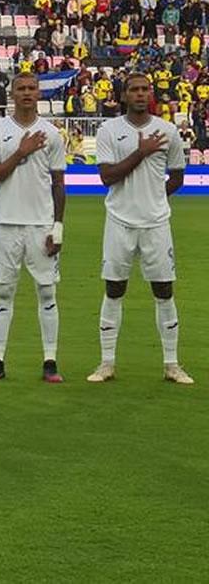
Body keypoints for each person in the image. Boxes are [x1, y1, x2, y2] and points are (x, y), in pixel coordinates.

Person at [88, 74, 192, 385]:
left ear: (151, 93)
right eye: (134, 89)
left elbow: (177, 176)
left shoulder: (168, 130)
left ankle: (172, 365)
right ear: (123, 96)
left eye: (145, 89)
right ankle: (107, 363)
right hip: (119, 220)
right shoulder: (109, 130)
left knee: (164, 291)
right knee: (114, 289)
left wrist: (156, 198)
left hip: (156, 222)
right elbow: (107, 176)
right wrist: (141, 152)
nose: (141, 94)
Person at [0, 73, 67, 383]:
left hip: (40, 225)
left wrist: (58, 228)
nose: (27, 93)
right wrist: (21, 152)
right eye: (21, 89)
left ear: (38, 93)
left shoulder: (52, 134)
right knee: (4, 293)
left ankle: (50, 362)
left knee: (47, 291)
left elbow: (59, 183)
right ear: (12, 94)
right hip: (5, 222)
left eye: (32, 88)